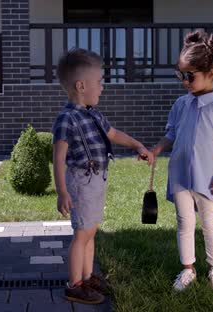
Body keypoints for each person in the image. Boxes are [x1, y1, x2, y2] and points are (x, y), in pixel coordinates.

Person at [52, 48, 154, 304]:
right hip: (81, 181)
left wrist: (137, 145)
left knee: (91, 231)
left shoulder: (93, 113)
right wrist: (62, 192)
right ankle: (75, 284)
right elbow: (58, 158)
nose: (102, 87)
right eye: (99, 82)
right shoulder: (66, 119)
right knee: (82, 234)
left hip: (97, 180)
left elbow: (113, 134)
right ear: (81, 85)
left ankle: (87, 278)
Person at [151, 30, 213, 292]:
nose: (185, 81)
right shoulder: (181, 104)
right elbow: (171, 133)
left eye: (190, 75)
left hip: (208, 177)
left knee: (209, 223)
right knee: (184, 222)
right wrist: (156, 150)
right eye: (181, 74)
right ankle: (188, 268)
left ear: (211, 73)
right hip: (180, 174)